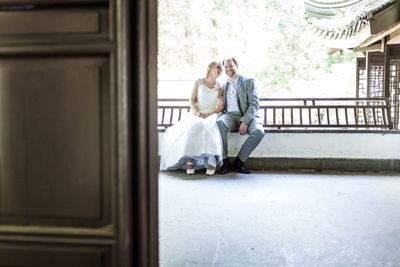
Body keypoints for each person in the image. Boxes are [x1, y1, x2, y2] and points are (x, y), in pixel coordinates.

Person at [160, 61, 224, 175]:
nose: (221, 70)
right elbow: (191, 99)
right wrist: (196, 112)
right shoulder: (199, 82)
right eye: (218, 67)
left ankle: (211, 158)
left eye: (221, 68)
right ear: (210, 68)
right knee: (193, 126)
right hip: (198, 112)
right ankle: (190, 158)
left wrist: (210, 114)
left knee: (208, 126)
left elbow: (220, 106)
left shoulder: (220, 86)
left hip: (212, 113)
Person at [217, 57, 265, 174]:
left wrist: (245, 121)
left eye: (231, 65)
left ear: (236, 65)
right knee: (219, 123)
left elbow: (254, 104)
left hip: (248, 114)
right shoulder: (223, 85)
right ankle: (225, 161)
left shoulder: (249, 81)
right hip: (230, 116)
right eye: (226, 67)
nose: (228, 68)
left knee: (259, 132)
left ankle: (239, 161)